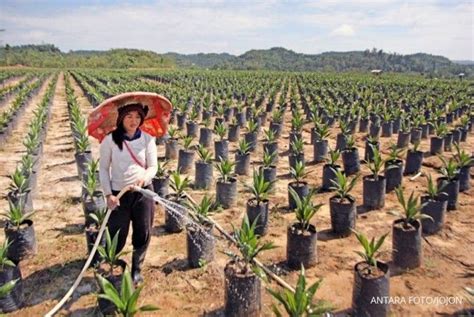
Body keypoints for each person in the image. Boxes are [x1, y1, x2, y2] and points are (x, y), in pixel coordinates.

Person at [99, 103, 158, 284]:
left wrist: (144, 179)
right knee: (117, 232)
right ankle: (111, 265)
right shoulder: (110, 140)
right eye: (129, 116)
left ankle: (136, 269)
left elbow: (153, 166)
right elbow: (103, 168)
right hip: (119, 194)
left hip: (142, 193)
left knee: (143, 231)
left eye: (138, 117)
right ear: (121, 118)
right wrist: (108, 194)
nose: (134, 121)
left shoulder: (148, 139)